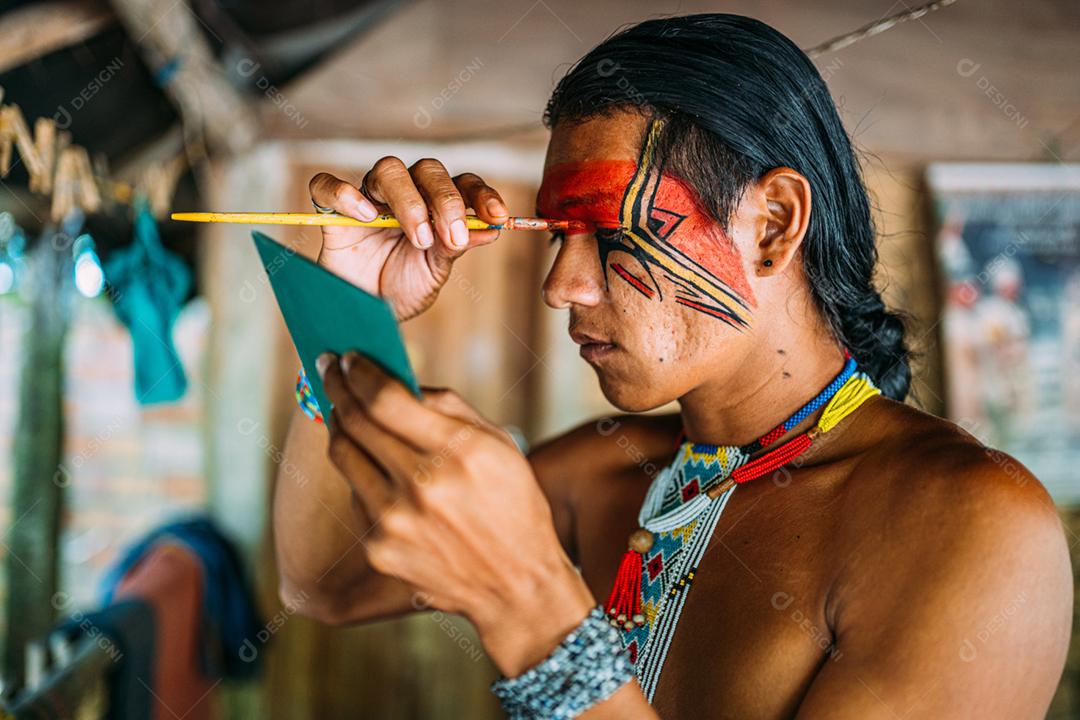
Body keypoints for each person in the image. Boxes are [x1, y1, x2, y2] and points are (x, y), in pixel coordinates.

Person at [273, 14, 1073, 719]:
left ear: (772, 225)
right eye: (558, 236)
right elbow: (323, 584)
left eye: (611, 235)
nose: (562, 286)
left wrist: (531, 607)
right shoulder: (604, 471)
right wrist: (347, 310)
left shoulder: (972, 524)